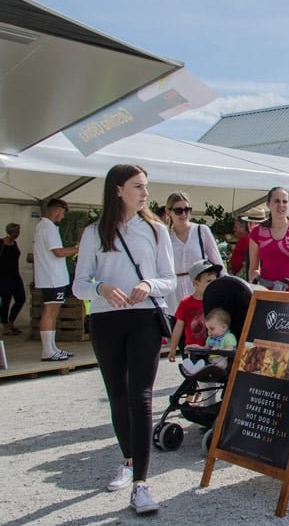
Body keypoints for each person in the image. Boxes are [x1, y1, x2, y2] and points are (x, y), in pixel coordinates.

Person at [71, 164, 176, 514]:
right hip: (104, 319)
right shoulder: (93, 233)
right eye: (137, 186)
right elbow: (79, 283)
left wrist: (149, 284)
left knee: (141, 396)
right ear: (117, 190)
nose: (145, 193)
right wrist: (100, 287)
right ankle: (128, 460)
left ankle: (141, 485)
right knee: (117, 392)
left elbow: (169, 280)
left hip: (145, 317)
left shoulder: (156, 230)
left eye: (146, 186)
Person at [163, 192, 224, 314]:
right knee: (177, 326)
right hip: (174, 290)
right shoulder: (164, 235)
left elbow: (218, 263)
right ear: (168, 212)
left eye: (187, 209)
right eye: (178, 210)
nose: (184, 214)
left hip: (199, 287)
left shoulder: (201, 231)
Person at [33, 199, 79, 361]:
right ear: (57, 210)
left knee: (53, 311)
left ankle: (51, 348)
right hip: (52, 277)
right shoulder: (48, 227)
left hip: (52, 276)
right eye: (63, 213)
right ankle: (48, 350)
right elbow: (58, 252)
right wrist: (77, 248)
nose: (62, 217)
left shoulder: (44, 226)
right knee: (51, 311)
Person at [249, 187, 289, 292]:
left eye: (285, 201)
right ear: (268, 204)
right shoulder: (257, 232)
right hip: (266, 291)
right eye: (277, 201)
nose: (281, 205)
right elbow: (253, 268)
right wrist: (254, 276)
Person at [167, 259, 223, 361]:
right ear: (196, 283)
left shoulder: (217, 301)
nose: (212, 284)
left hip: (214, 347)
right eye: (208, 281)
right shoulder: (186, 303)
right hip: (193, 349)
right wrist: (173, 348)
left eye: (214, 281)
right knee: (194, 373)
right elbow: (178, 327)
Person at [182, 308, 239, 376]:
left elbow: (231, 349)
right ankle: (196, 368)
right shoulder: (210, 339)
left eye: (212, 329)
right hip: (211, 361)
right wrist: (196, 347)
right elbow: (206, 349)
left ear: (224, 327)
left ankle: (200, 369)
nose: (209, 332)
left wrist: (219, 350)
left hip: (223, 361)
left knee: (222, 363)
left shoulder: (228, 337)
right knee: (204, 364)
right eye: (207, 329)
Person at [0, 223, 26, 337]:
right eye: (15, 232)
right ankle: (4, 326)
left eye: (18, 232)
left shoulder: (14, 243)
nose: (16, 235)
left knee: (21, 298)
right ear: (9, 232)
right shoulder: (1, 243)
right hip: (3, 276)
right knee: (5, 301)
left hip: (15, 275)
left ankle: (11, 322)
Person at [229, 206, 266, 278]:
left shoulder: (249, 239)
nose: (234, 229)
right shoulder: (261, 238)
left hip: (247, 275)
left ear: (249, 224)